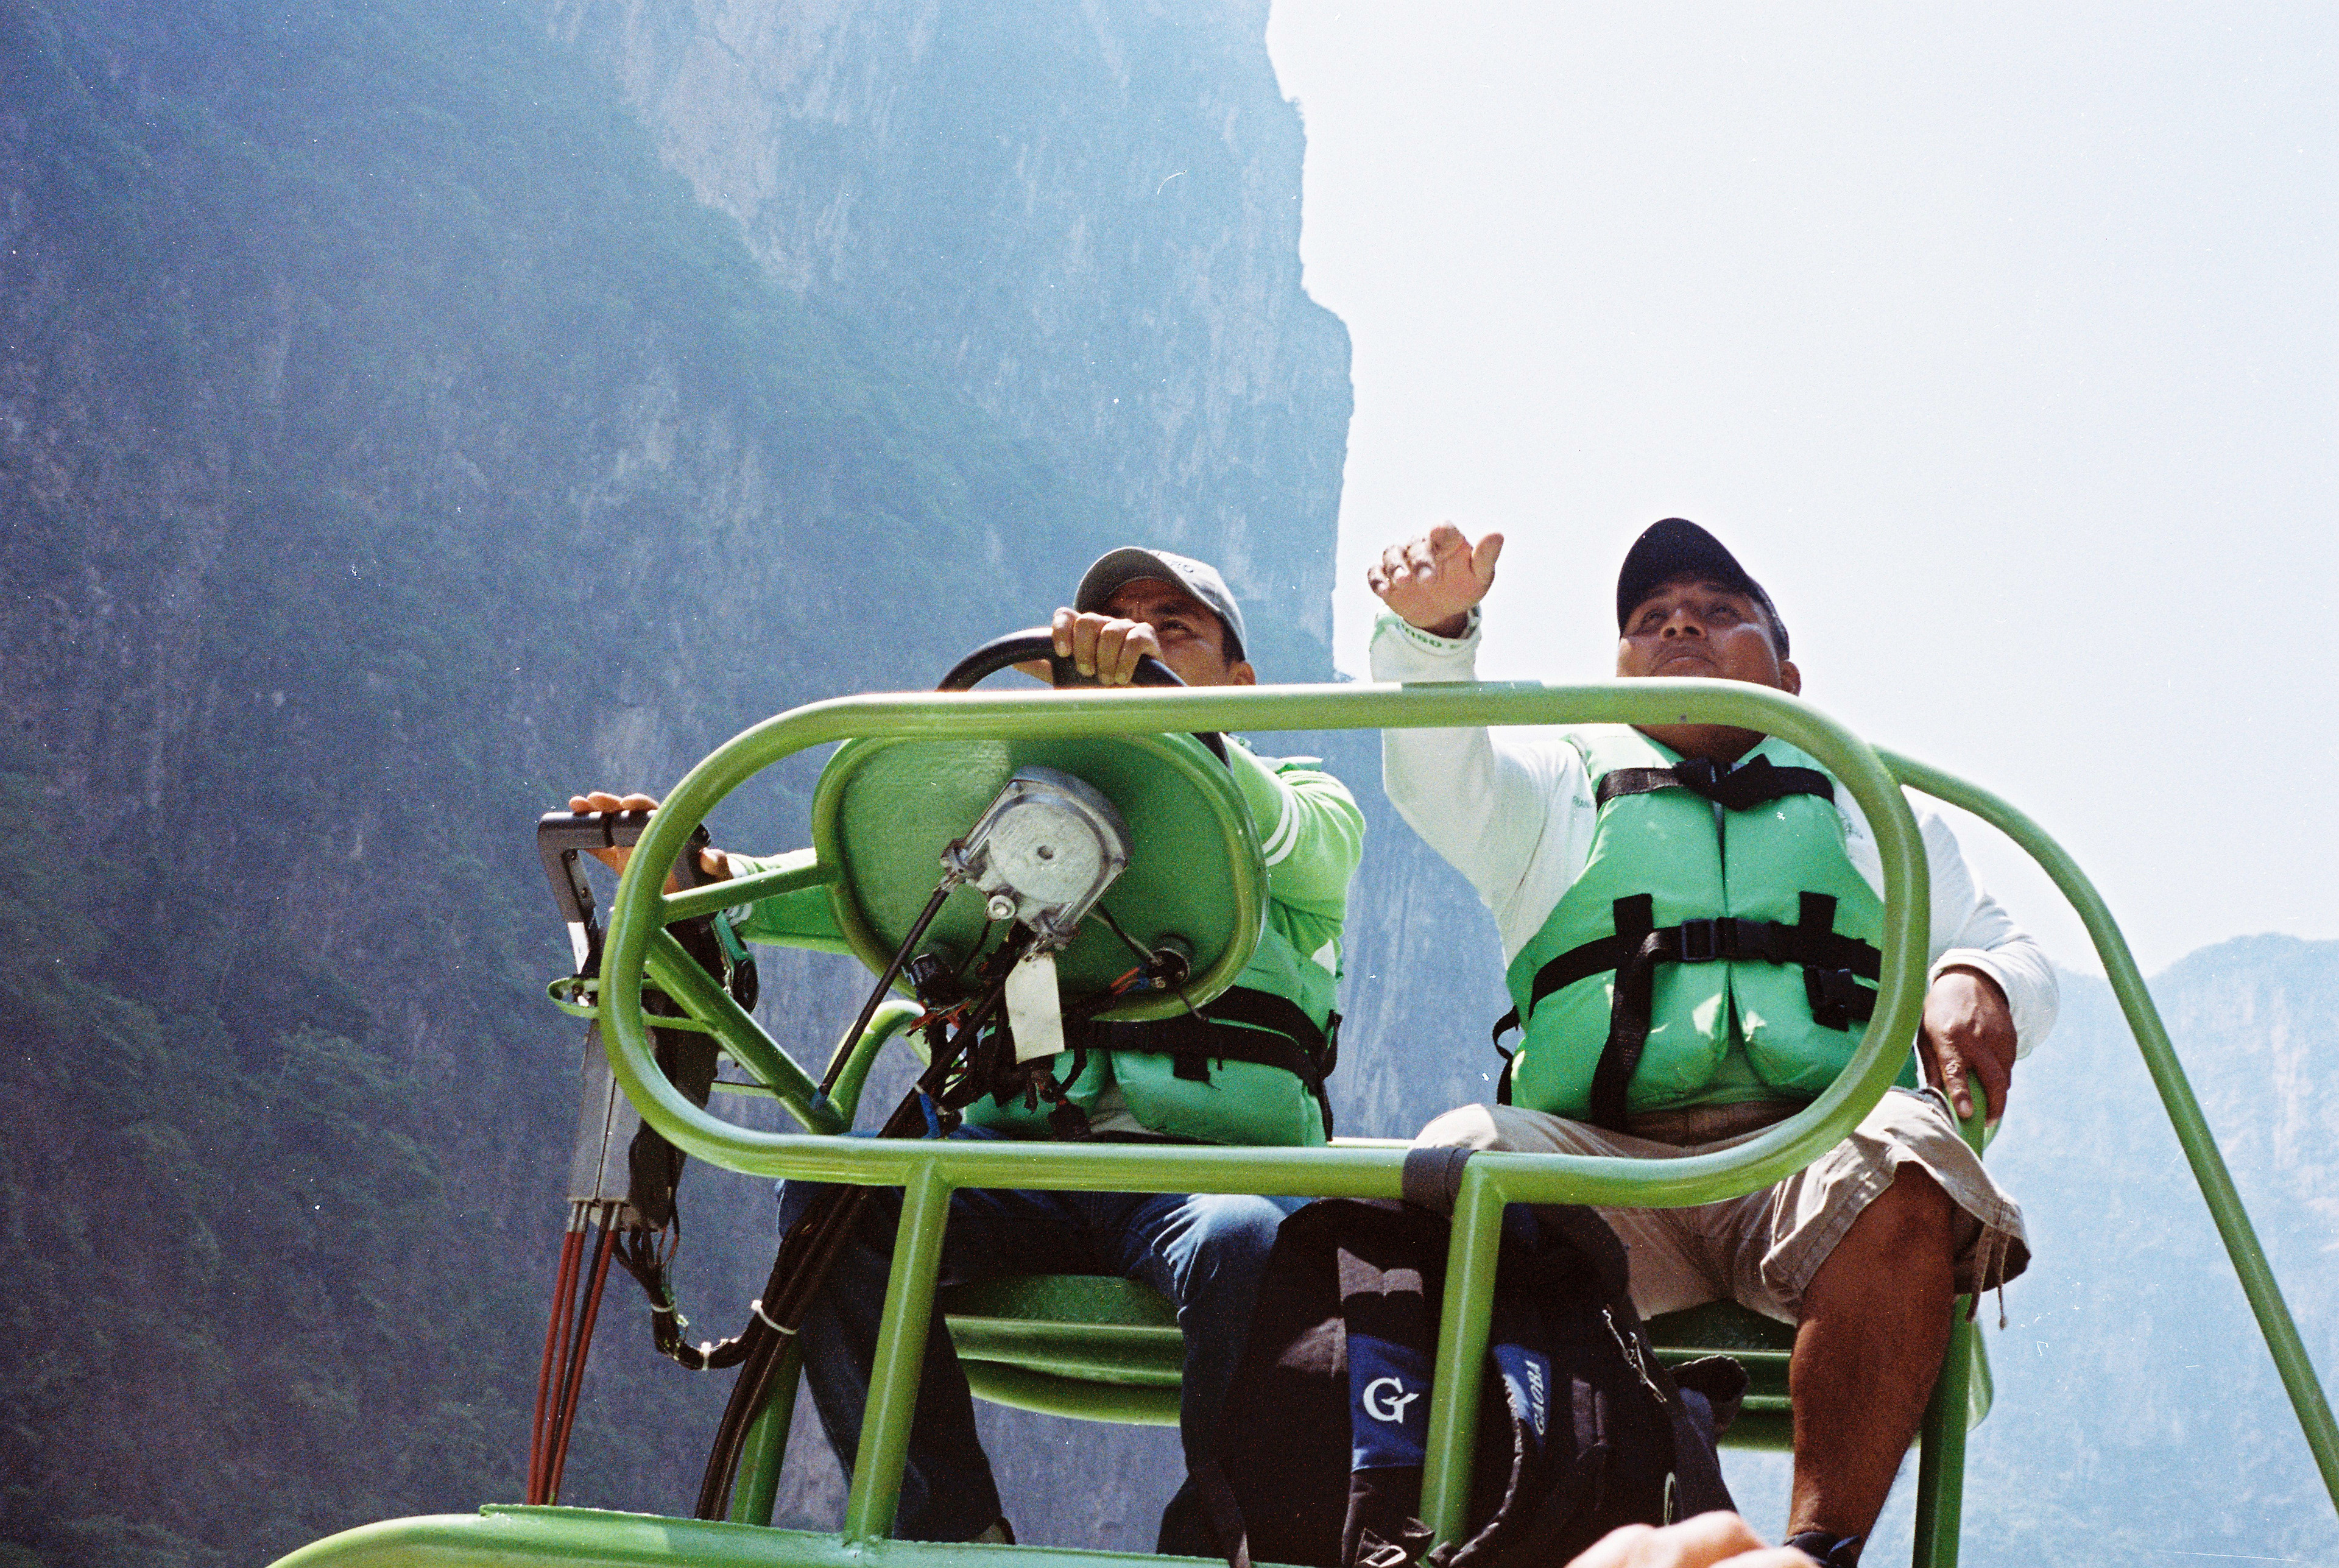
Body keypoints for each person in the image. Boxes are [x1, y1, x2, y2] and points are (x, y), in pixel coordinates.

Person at [572, 546, 1364, 1548]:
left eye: (1175, 630)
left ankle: (1218, 1545)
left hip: (1206, 1173)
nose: (1140, 645)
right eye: (1117, 629)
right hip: (1010, 1164)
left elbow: (1306, 843)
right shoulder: (1016, 819)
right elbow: (882, 893)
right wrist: (704, 869)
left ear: (1239, 684)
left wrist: (1160, 716)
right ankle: (947, 1532)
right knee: (831, 1204)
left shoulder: (1303, 805)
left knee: (1250, 1242)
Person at [1365, 518, 2056, 1567]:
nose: (1681, 620)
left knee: (1907, 1148)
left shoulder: (1870, 801)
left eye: (1721, 611)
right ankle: (1541, 1533)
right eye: (1650, 619)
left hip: (1806, 1162)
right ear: (1618, 669)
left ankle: (1813, 1553)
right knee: (1460, 1152)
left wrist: (1979, 978)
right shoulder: (1552, 788)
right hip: (1611, 1176)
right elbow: (1434, 779)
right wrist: (1431, 639)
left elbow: (2004, 941)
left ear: (1786, 671)